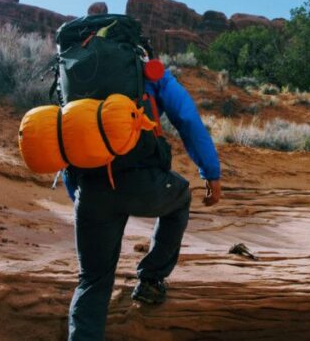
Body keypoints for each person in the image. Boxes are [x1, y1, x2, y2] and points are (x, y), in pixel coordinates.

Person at [62, 42, 223, 341]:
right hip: (143, 183)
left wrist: (78, 197)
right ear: (144, 52)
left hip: (92, 189)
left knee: (92, 280)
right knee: (181, 197)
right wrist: (211, 172)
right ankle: (150, 280)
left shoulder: (77, 77)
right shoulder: (150, 74)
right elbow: (187, 120)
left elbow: (66, 137)